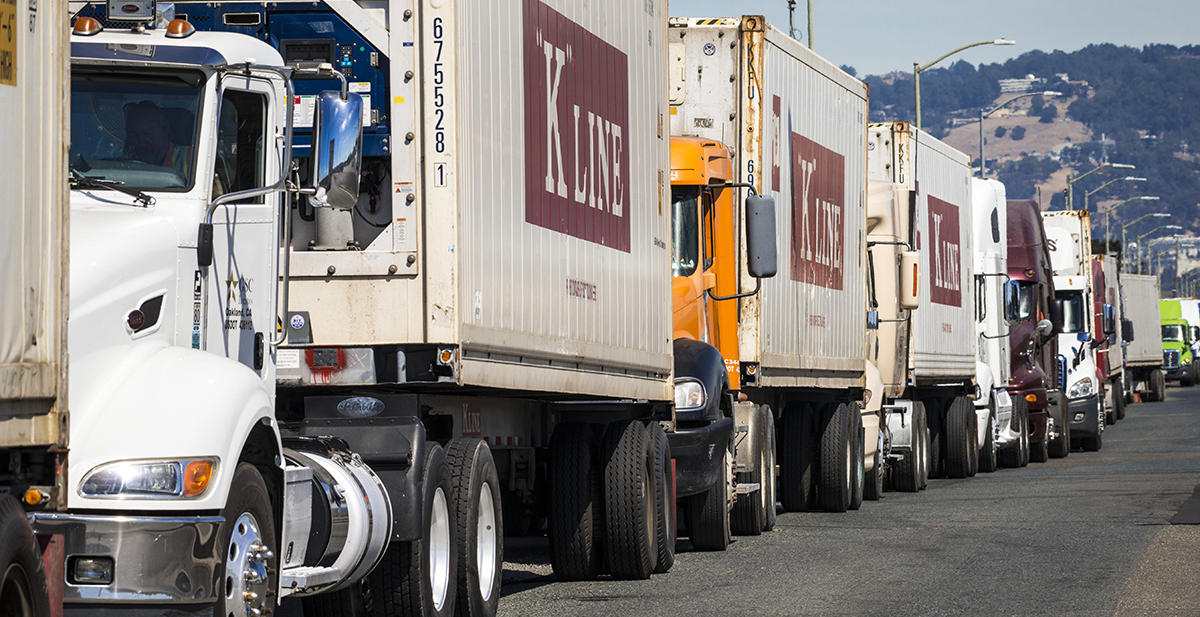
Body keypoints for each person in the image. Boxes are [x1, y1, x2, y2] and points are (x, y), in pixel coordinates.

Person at [123, 100, 192, 177]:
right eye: (133, 135)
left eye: (147, 134)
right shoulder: (122, 165)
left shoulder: (191, 158)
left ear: (165, 128)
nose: (142, 142)